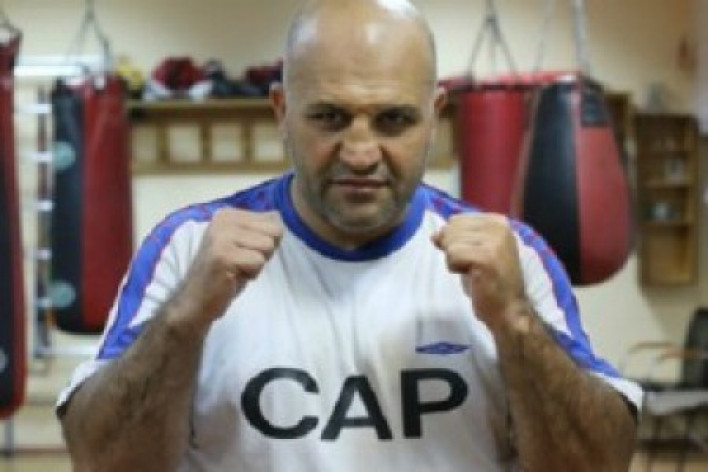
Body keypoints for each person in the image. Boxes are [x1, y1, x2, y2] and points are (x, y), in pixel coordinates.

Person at [57, 0, 642, 470]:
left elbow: (599, 463)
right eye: (330, 117)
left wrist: (515, 323)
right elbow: (102, 461)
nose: (361, 153)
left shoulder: (514, 257)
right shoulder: (188, 248)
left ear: (433, 117)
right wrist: (184, 319)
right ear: (282, 111)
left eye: (393, 120)